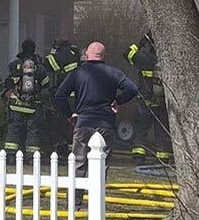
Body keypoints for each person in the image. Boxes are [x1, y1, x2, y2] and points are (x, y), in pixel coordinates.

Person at [53, 41, 139, 193]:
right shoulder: (113, 73)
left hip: (83, 123)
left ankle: (76, 200)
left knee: (79, 163)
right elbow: (132, 89)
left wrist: (70, 114)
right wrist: (118, 101)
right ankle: (97, 198)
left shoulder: (77, 73)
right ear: (103, 56)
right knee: (101, 164)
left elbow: (60, 96)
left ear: (86, 54)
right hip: (106, 124)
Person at [124, 33, 173, 163]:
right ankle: (162, 158)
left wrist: (140, 43)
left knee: (141, 128)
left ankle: (139, 156)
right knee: (161, 130)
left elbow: (127, 53)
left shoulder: (144, 58)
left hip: (145, 101)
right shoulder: (170, 61)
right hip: (162, 102)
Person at [2, 39, 50, 155]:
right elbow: (46, 85)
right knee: (33, 132)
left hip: (15, 106)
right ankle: (32, 157)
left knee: (13, 130)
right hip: (33, 106)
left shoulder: (14, 65)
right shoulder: (40, 68)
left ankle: (10, 155)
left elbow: (8, 83)